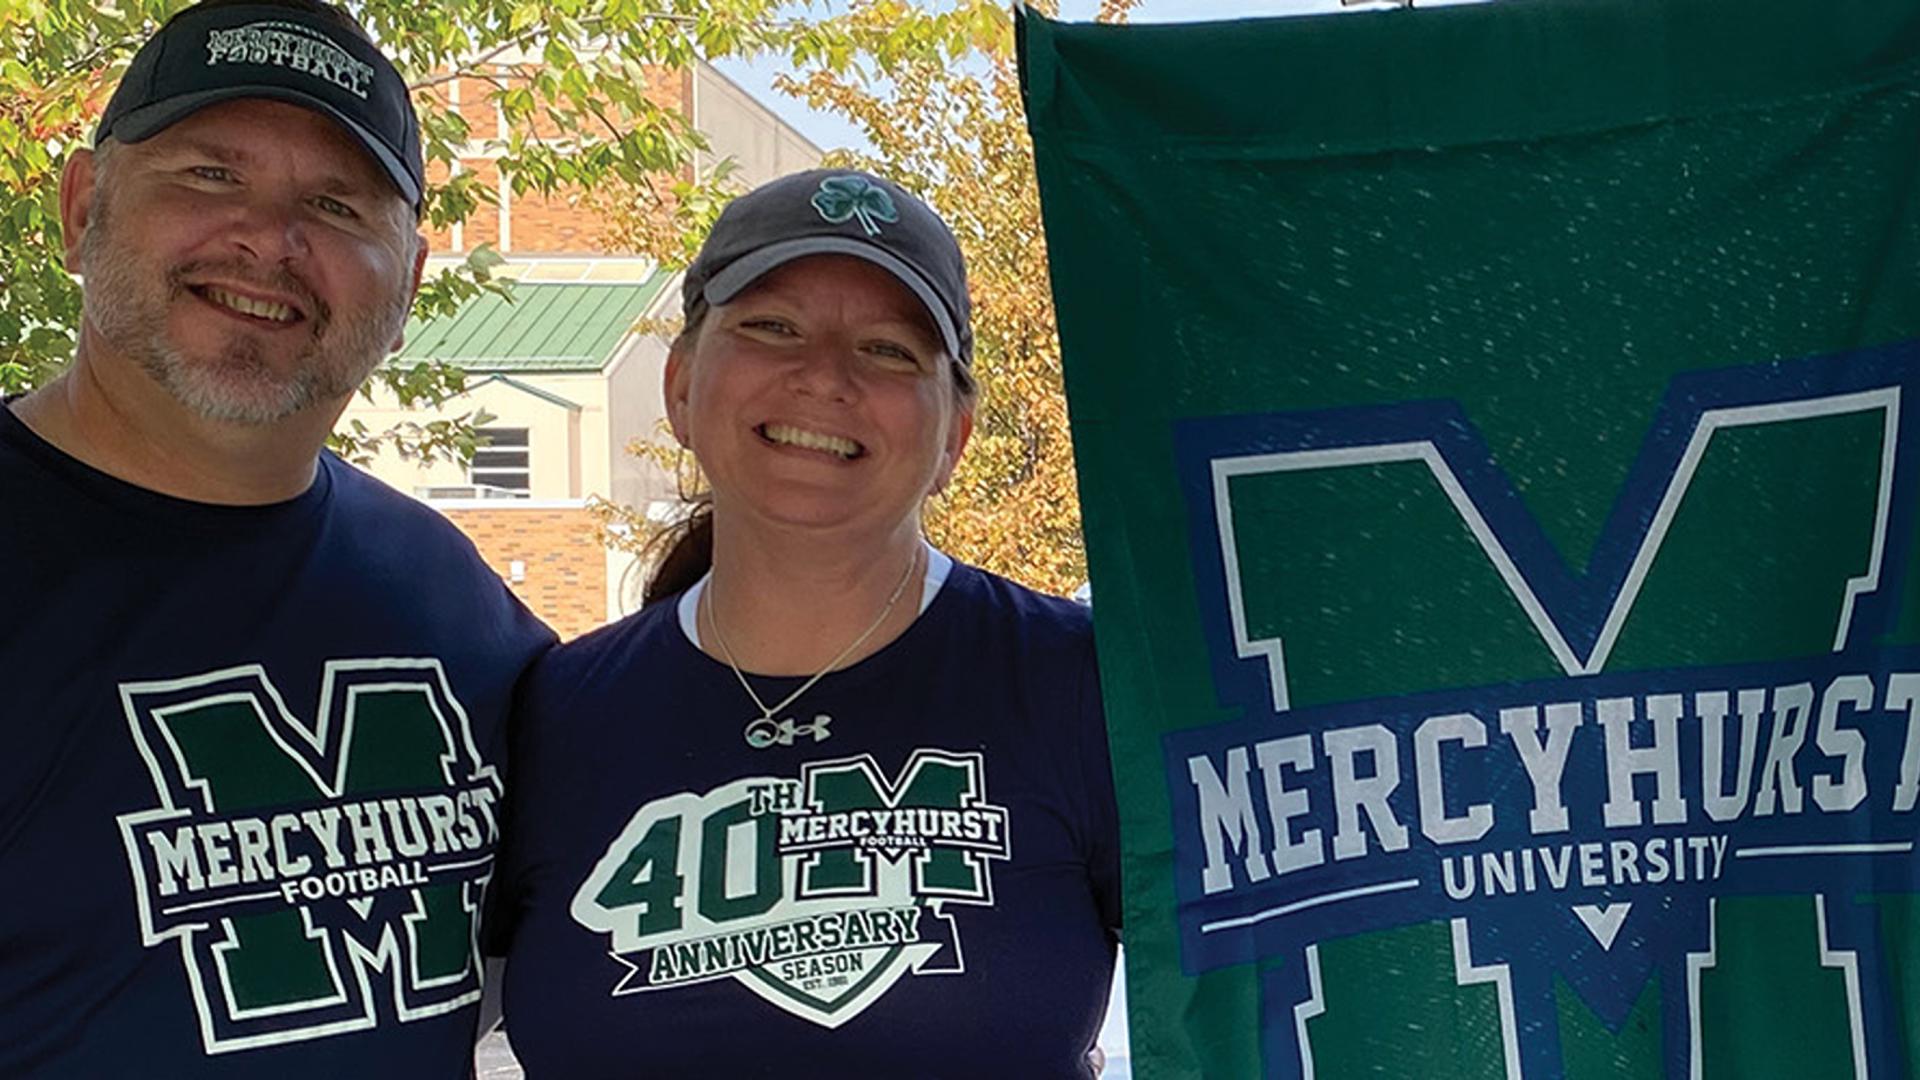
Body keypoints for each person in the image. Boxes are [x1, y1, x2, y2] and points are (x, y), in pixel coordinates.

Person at [0, 1, 553, 1075]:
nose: (269, 241)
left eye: (338, 204)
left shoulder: (452, 602)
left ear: (408, 288)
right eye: (209, 175)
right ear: (81, 210)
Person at [491, 169, 1122, 1077]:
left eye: (890, 350)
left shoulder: (1084, 687)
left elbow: (1266, 987)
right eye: (772, 327)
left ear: (954, 435)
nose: (824, 375)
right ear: (679, 385)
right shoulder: (549, 713)